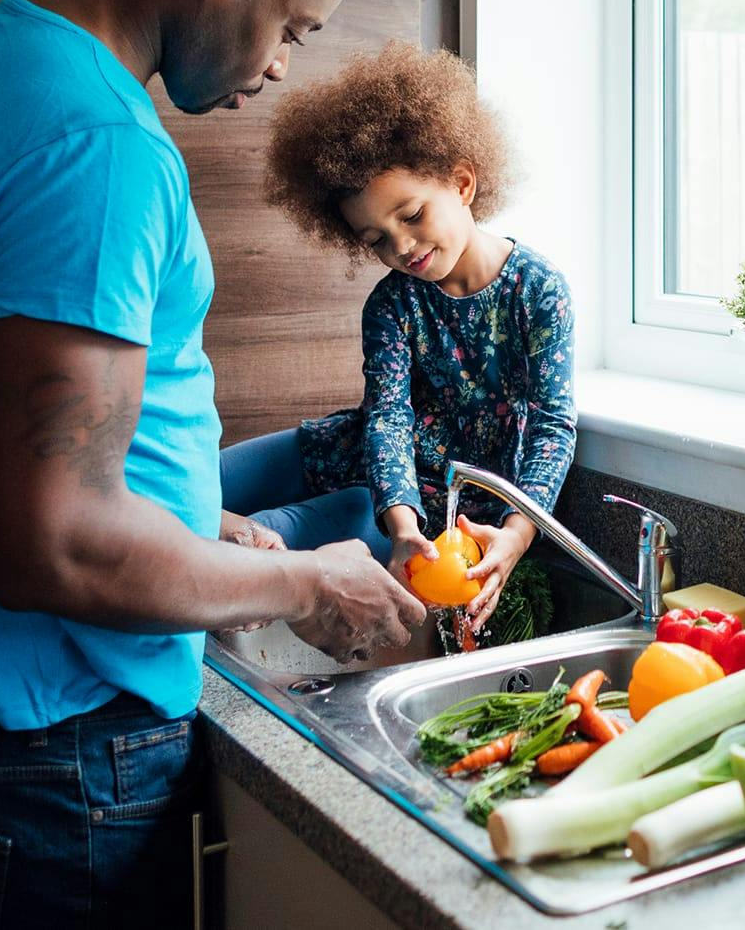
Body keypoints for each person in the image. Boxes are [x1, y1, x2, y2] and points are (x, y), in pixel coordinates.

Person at [0, 0, 427, 929]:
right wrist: (311, 582)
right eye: (290, 27)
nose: (281, 68)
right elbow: (57, 544)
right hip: (50, 749)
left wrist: (198, 525)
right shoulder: (98, 148)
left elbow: (3, 438)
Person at [224, 43, 577, 639]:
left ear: (462, 182)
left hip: (415, 515)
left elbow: (552, 426)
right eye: (376, 239)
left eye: (411, 215)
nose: (401, 247)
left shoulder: (539, 292)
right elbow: (385, 419)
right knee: (180, 481)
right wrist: (399, 512)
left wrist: (514, 532)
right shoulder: (392, 303)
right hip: (358, 466)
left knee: (261, 533)